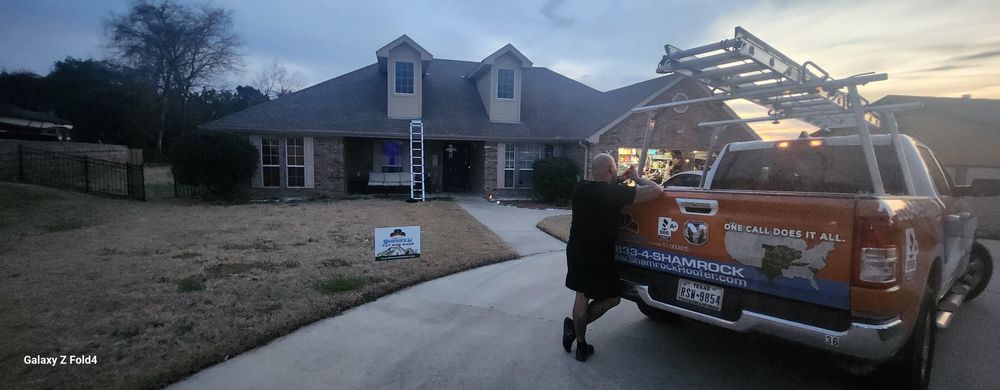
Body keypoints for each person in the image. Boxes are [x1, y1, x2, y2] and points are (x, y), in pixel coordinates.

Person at [562, 153, 665, 361]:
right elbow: (657, 190)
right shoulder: (614, 193)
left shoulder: (581, 188)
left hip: (577, 250)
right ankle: (574, 327)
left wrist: (618, 180)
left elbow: (603, 190)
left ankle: (580, 344)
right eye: (615, 168)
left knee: (581, 296)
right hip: (600, 254)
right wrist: (635, 178)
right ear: (610, 168)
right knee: (614, 298)